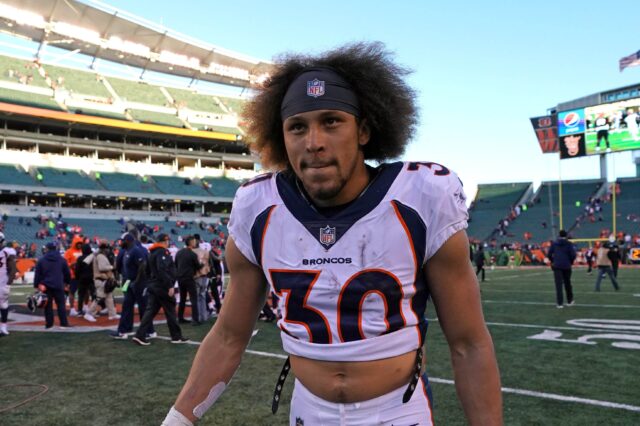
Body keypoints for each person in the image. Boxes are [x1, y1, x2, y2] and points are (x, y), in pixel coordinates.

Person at [161, 42, 501, 426]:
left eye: (332, 121)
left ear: (365, 130)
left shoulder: (422, 197)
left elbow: (469, 344)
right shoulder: (257, 206)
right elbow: (228, 336)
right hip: (309, 411)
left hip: (398, 410)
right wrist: (177, 420)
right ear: (281, 138)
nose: (314, 142)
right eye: (297, 127)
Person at [132, 234, 188, 346]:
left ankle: (140, 335)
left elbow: (146, 270)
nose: (168, 243)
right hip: (162, 286)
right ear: (164, 241)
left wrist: (150, 282)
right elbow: (162, 269)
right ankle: (176, 336)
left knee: (150, 311)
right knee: (170, 311)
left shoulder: (151, 252)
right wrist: (169, 285)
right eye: (167, 241)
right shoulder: (162, 252)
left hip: (154, 285)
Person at [110, 233, 154, 339]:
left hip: (137, 283)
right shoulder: (126, 251)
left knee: (143, 306)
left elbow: (142, 265)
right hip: (127, 282)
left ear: (128, 240)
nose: (121, 243)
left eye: (123, 240)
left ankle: (149, 331)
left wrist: (137, 281)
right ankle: (123, 330)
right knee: (126, 305)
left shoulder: (136, 250)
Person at [33, 242, 71, 329]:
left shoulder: (41, 260)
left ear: (47, 249)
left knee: (48, 306)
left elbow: (37, 274)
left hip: (46, 286)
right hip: (59, 285)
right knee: (61, 305)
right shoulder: (62, 259)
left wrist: (36, 285)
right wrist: (67, 283)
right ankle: (63, 323)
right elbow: (67, 273)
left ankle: (49, 324)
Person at [175, 236, 202, 325]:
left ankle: (180, 318)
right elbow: (198, 266)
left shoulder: (179, 253)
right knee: (193, 299)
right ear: (191, 243)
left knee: (182, 299)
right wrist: (203, 264)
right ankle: (195, 319)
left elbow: (175, 265)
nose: (195, 243)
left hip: (180, 278)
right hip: (189, 278)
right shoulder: (192, 254)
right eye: (194, 241)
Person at [547, 230, 576, 308]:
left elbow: (549, 254)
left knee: (558, 285)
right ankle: (569, 301)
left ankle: (560, 303)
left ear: (559, 235)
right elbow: (573, 255)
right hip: (567, 266)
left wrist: (553, 261)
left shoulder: (554, 244)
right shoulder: (569, 244)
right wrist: (570, 262)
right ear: (566, 235)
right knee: (567, 283)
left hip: (557, 266)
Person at [93, 241, 119, 320]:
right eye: (107, 248)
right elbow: (102, 268)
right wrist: (112, 267)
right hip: (101, 279)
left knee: (109, 298)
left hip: (104, 279)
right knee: (100, 298)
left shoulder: (100, 255)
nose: (108, 250)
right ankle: (90, 313)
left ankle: (112, 314)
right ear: (104, 249)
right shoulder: (100, 256)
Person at [0, 232, 17, 336]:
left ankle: (3, 326)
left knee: (3, 305)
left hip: (2, 282)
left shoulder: (7, 252)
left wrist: (8, 283)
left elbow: (12, 269)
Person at [63, 234, 84, 317]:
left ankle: (83, 307)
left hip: (82, 275)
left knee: (83, 292)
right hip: (73, 275)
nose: (79, 245)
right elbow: (65, 263)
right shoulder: (69, 251)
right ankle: (72, 309)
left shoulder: (82, 251)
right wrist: (71, 264)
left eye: (80, 243)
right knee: (72, 292)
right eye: (78, 243)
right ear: (74, 243)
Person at [75, 243, 96, 322]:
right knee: (93, 294)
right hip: (91, 278)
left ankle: (80, 311)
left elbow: (77, 270)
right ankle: (93, 310)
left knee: (81, 295)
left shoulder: (80, 258)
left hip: (82, 279)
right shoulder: (93, 257)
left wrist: (77, 278)